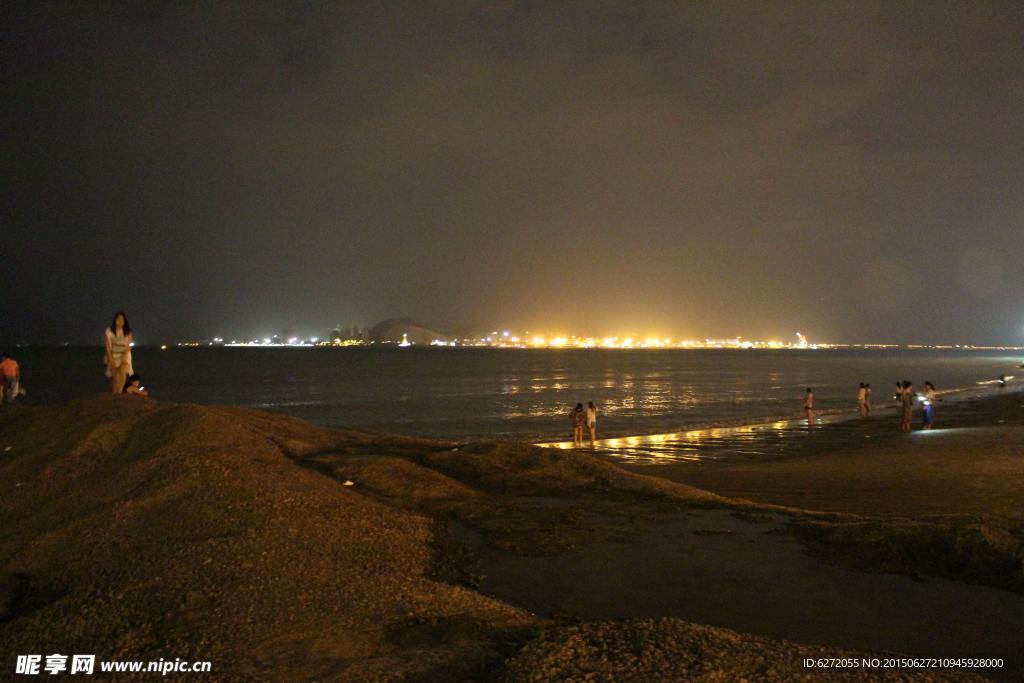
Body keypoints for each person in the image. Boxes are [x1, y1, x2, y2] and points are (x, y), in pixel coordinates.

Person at [105, 312, 133, 394]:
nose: (120, 321)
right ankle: (115, 392)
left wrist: (125, 356)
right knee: (115, 377)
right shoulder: (109, 332)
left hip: (124, 354)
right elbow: (108, 346)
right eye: (118, 319)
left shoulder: (127, 332)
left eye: (122, 319)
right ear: (115, 320)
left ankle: (120, 392)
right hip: (113, 354)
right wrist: (110, 358)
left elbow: (128, 345)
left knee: (123, 373)